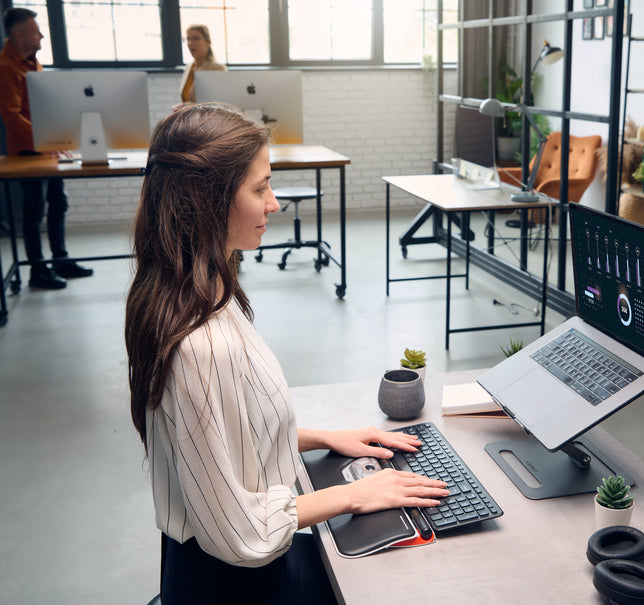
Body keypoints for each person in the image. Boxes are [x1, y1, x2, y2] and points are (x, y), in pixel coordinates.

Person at [125, 103, 449, 604]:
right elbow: (239, 530)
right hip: (234, 585)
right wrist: (354, 495)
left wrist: (324, 437)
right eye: (260, 188)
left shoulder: (193, 290)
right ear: (207, 199)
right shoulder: (200, 345)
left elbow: (222, 435)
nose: (274, 204)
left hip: (220, 570)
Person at [0, 7, 93, 290]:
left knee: (58, 202)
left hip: (49, 148)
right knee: (34, 210)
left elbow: (43, 105)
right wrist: (46, 140)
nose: (42, 35)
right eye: (36, 31)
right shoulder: (4, 68)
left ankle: (60, 260)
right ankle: (37, 270)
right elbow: (12, 117)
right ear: (19, 34)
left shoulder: (32, 61)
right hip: (27, 152)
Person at [178, 24, 226, 104]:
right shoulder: (189, 67)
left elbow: (220, 103)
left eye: (196, 39)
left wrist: (188, 106)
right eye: (188, 39)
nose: (190, 43)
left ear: (208, 42)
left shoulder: (217, 68)